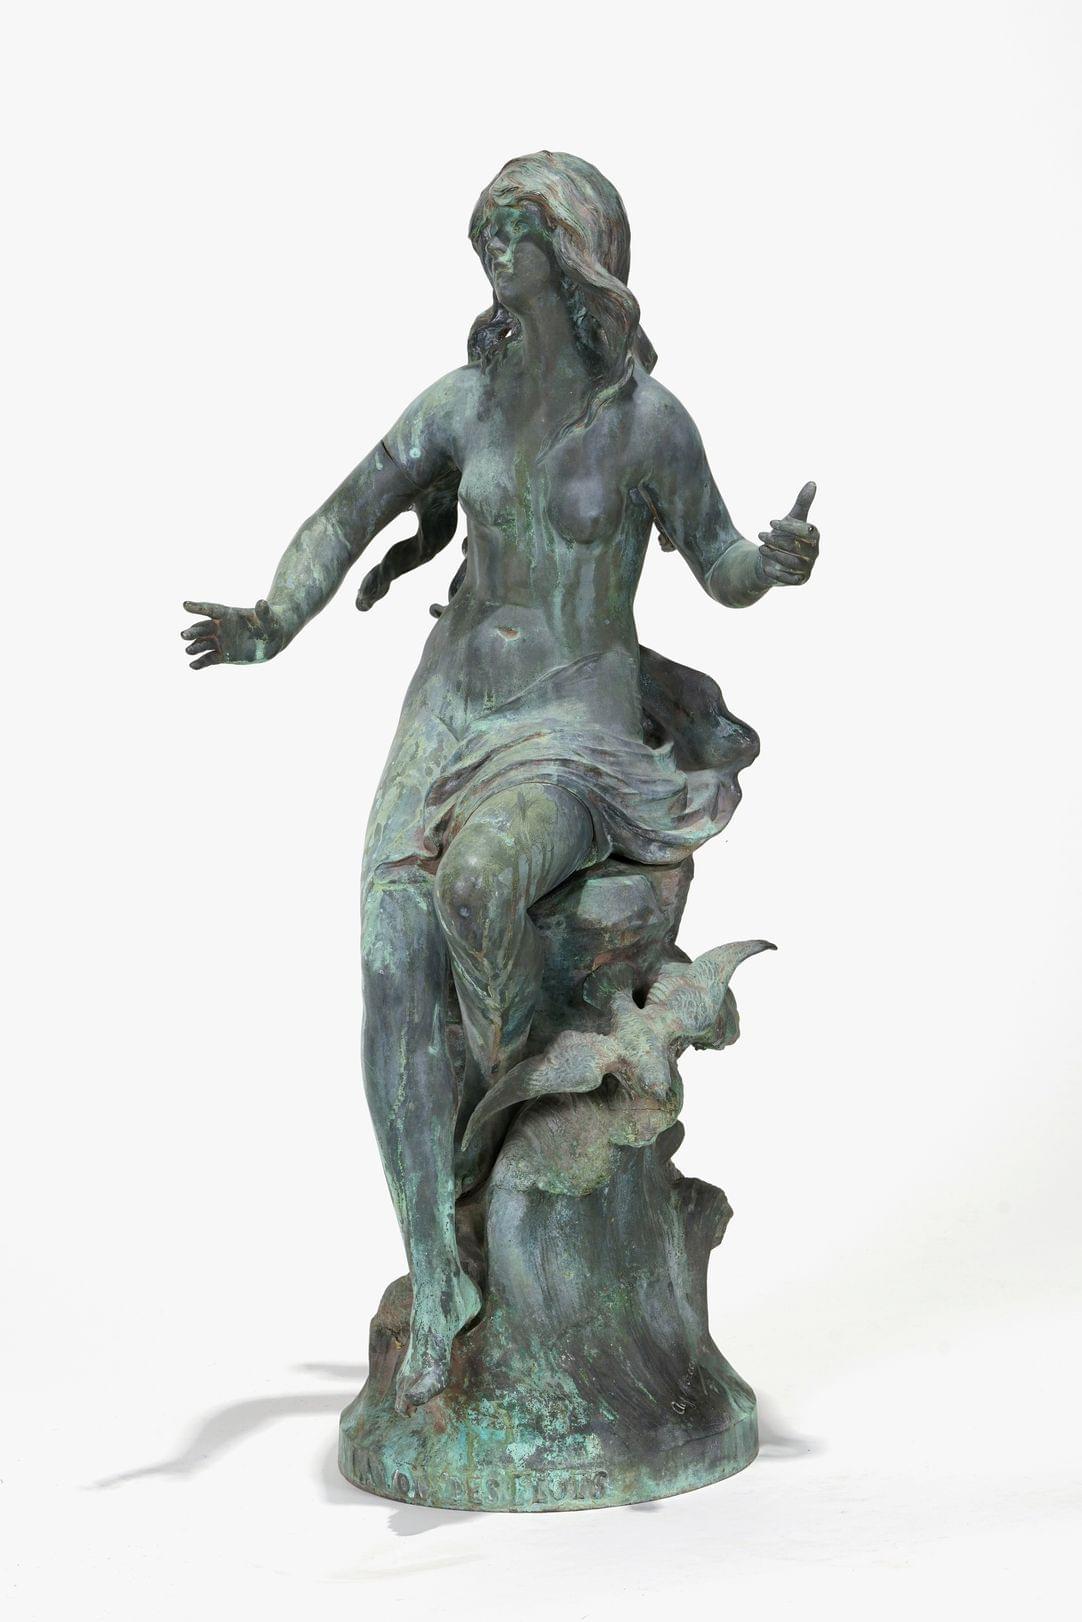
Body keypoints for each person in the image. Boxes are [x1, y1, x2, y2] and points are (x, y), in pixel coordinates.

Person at [181, 151, 820, 1413]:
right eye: (486, 233)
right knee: (387, 948)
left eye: (515, 233)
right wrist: (270, 619)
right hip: (448, 713)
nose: (492, 254)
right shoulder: (461, 405)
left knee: (478, 883)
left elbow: (720, 563)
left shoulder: (646, 423)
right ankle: (441, 1273)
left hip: (572, 728)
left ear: (579, 262)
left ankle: (515, 1096)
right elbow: (347, 512)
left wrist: (774, 560)